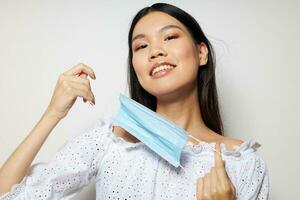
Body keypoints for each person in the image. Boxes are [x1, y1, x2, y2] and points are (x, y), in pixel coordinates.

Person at [0, 3, 269, 200]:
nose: (156, 51)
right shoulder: (110, 142)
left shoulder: (243, 162)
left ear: (201, 53)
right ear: (135, 66)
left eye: (170, 37)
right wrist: (52, 114)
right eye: (141, 46)